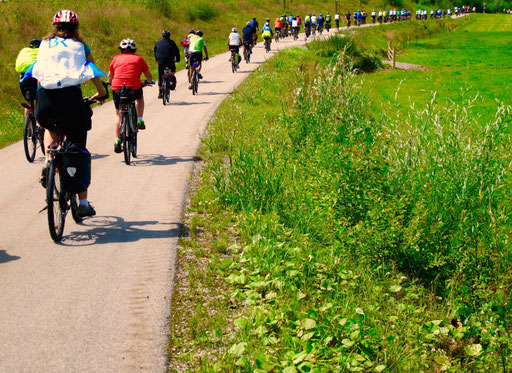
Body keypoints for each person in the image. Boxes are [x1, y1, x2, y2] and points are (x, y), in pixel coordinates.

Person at [29, 9, 107, 217]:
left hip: (45, 100)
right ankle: (83, 203)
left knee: (49, 126)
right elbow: (91, 70)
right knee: (77, 149)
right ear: (76, 28)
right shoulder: (81, 46)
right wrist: (101, 93)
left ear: (54, 27)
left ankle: (48, 159)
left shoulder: (44, 45)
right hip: (70, 101)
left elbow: (39, 72)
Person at [109, 39, 152, 153]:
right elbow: (148, 75)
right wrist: (148, 81)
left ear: (121, 49)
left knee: (119, 114)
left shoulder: (115, 59)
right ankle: (139, 119)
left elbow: (110, 75)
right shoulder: (138, 58)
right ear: (134, 50)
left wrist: (110, 83)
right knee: (139, 98)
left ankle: (117, 140)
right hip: (133, 87)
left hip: (117, 87)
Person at [15, 39, 40, 116]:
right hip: (36, 80)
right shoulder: (42, 52)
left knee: (28, 103)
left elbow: (17, 67)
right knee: (39, 102)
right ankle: (39, 125)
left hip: (24, 82)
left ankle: (27, 126)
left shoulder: (24, 52)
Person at [154, 30, 180, 99]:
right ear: (169, 36)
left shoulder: (158, 42)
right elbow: (177, 51)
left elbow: (155, 51)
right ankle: (170, 79)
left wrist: (157, 58)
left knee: (160, 75)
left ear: (162, 36)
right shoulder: (172, 42)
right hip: (170, 61)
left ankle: (160, 92)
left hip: (161, 61)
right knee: (173, 69)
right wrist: (178, 59)